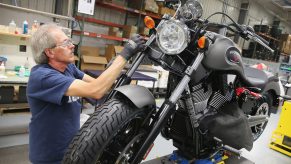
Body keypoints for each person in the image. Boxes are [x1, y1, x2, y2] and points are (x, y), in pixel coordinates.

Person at [27, 23, 146, 164]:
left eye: (70, 41)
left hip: (74, 150)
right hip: (50, 157)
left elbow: (97, 85)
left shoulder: (69, 68)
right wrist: (125, 54)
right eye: (65, 43)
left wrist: (112, 71)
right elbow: (95, 90)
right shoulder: (42, 77)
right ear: (50, 52)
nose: (72, 46)